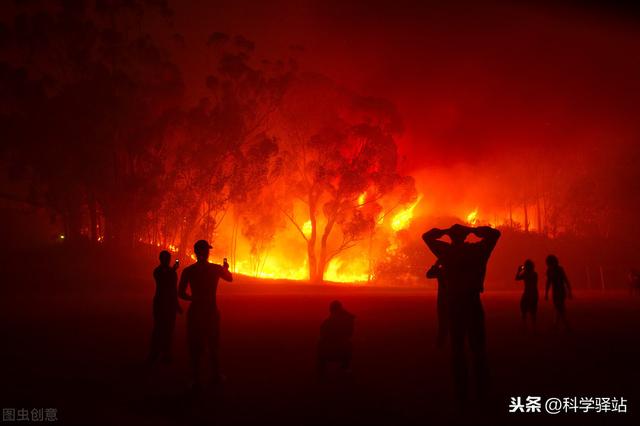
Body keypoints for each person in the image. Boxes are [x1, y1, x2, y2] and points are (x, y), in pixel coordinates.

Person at [422, 224, 501, 409]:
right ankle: (482, 392)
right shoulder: (478, 251)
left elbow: (426, 236)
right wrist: (473, 229)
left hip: (454, 304)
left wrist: (445, 231)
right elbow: (495, 234)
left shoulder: (446, 252)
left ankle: (461, 393)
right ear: (465, 236)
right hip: (472, 302)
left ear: (451, 237)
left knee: (457, 349)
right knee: (478, 349)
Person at [178, 240, 233, 390]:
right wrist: (226, 269)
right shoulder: (215, 269)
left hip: (196, 311)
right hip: (211, 311)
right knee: (213, 345)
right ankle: (215, 375)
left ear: (196, 252)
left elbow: (181, 293)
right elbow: (230, 278)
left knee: (195, 346)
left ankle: (196, 379)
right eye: (207, 250)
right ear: (207, 252)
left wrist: (193, 298)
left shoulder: (189, 271)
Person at [148, 250, 182, 364]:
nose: (168, 260)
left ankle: (165, 353)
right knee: (159, 328)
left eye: (169, 258)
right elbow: (165, 283)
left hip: (168, 303)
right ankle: (155, 353)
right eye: (166, 258)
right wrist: (173, 270)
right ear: (162, 259)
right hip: (161, 303)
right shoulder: (158, 271)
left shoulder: (169, 272)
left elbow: (173, 289)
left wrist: (176, 304)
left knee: (168, 329)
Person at [317, 300, 355, 377]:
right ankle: (345, 369)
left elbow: (322, 336)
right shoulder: (342, 321)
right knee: (348, 344)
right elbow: (349, 333)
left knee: (320, 345)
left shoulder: (326, 322)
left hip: (327, 350)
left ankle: (321, 371)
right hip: (339, 349)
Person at [544, 255, 572, 331]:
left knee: (559, 308)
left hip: (561, 291)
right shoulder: (549, 270)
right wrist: (546, 293)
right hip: (555, 291)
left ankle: (566, 326)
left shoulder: (559, 269)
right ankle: (556, 325)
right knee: (558, 308)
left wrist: (569, 291)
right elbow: (548, 282)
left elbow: (565, 280)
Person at [426, 260, 448, 347]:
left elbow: (429, 274)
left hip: (443, 299)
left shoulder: (441, 271)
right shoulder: (457, 269)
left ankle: (441, 343)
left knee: (443, 322)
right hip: (455, 298)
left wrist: (436, 264)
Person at [515, 259, 538, 330]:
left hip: (529, 293)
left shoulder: (527, 274)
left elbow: (517, 278)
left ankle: (526, 326)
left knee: (525, 311)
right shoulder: (534, 274)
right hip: (533, 293)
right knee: (531, 311)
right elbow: (517, 278)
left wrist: (519, 271)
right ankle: (532, 327)